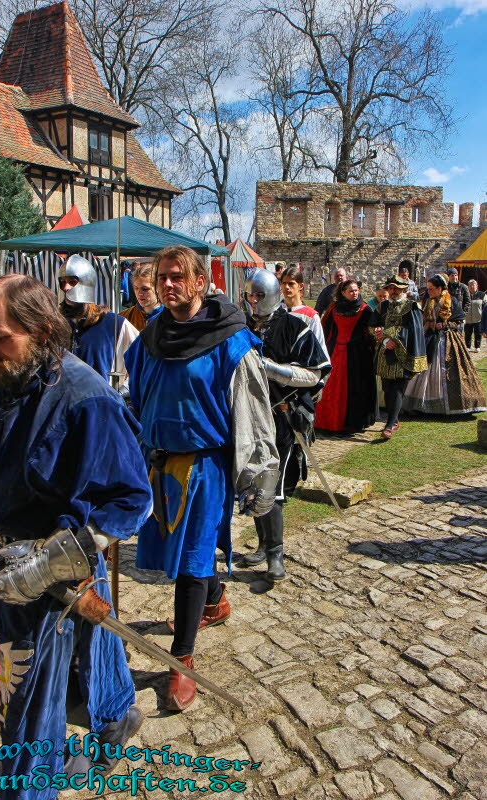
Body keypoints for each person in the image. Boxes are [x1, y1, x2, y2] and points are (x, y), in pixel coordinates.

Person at [0, 274, 153, 799]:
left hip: (55, 575)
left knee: (25, 705)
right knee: (85, 659)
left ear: (42, 329)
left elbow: (132, 501)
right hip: (4, 566)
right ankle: (113, 722)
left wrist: (47, 564)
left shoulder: (87, 398)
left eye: (1, 338)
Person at [124, 245, 279, 713]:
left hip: (206, 464)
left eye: (177, 277)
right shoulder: (151, 337)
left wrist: (258, 474)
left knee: (191, 558)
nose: (168, 285)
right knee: (180, 550)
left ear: (198, 282)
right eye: (162, 277)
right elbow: (135, 396)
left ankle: (181, 661)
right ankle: (215, 600)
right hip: (160, 463)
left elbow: (253, 412)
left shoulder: (229, 339)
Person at [241, 268, 331, 579]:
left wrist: (271, 369)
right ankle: (263, 545)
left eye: (259, 295)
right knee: (252, 481)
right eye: (249, 295)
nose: (253, 301)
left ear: (274, 295)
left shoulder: (296, 326)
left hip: (281, 416)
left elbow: (316, 373)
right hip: (247, 416)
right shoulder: (241, 328)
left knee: (272, 485)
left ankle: (275, 556)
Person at [403, 274, 486, 416]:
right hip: (430, 338)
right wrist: (428, 325)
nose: (428, 291)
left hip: (448, 340)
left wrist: (445, 324)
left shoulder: (451, 301)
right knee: (425, 369)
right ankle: (422, 405)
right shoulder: (429, 301)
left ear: (440, 288)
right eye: (428, 288)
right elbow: (424, 319)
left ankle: (454, 404)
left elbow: (460, 321)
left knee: (448, 371)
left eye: (431, 288)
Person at [59, 254, 137, 386]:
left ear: (86, 283)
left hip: (101, 403)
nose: (66, 287)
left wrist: (125, 389)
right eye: (62, 282)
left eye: (72, 282)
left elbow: (145, 361)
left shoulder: (114, 324)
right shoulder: (55, 323)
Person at [369, 274, 428, 439]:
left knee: (397, 388)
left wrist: (389, 334)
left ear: (404, 289)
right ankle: (393, 420)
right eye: (391, 288)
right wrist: (383, 337)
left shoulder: (412, 307)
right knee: (387, 388)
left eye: (397, 288)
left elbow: (413, 330)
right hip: (384, 353)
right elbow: (372, 326)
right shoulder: (383, 306)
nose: (393, 291)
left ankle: (390, 423)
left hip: (402, 354)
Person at [315, 280, 377, 433]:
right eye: (351, 291)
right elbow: (326, 329)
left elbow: (371, 331)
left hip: (357, 355)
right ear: (342, 292)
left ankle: (352, 423)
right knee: (332, 387)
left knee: (355, 388)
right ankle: (328, 421)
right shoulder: (334, 308)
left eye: (356, 290)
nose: (354, 293)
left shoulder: (365, 309)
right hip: (336, 352)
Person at [280, 265, 328, 353]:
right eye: (284, 283)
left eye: (291, 283)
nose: (286, 287)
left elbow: (320, 348)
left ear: (300, 285)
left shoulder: (310, 316)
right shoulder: (274, 312)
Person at [120, 263, 163, 332]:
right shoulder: (124, 317)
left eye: (145, 289)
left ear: (158, 288)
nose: (139, 293)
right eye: (136, 288)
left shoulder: (171, 317)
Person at [464, 279, 486, 352]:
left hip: (478, 318)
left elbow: (485, 307)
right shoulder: (465, 295)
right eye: (470, 285)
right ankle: (468, 347)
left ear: (476, 286)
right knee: (467, 334)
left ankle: (477, 346)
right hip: (468, 319)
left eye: (473, 285)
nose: (472, 287)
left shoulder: (482, 295)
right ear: (468, 287)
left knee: (478, 333)